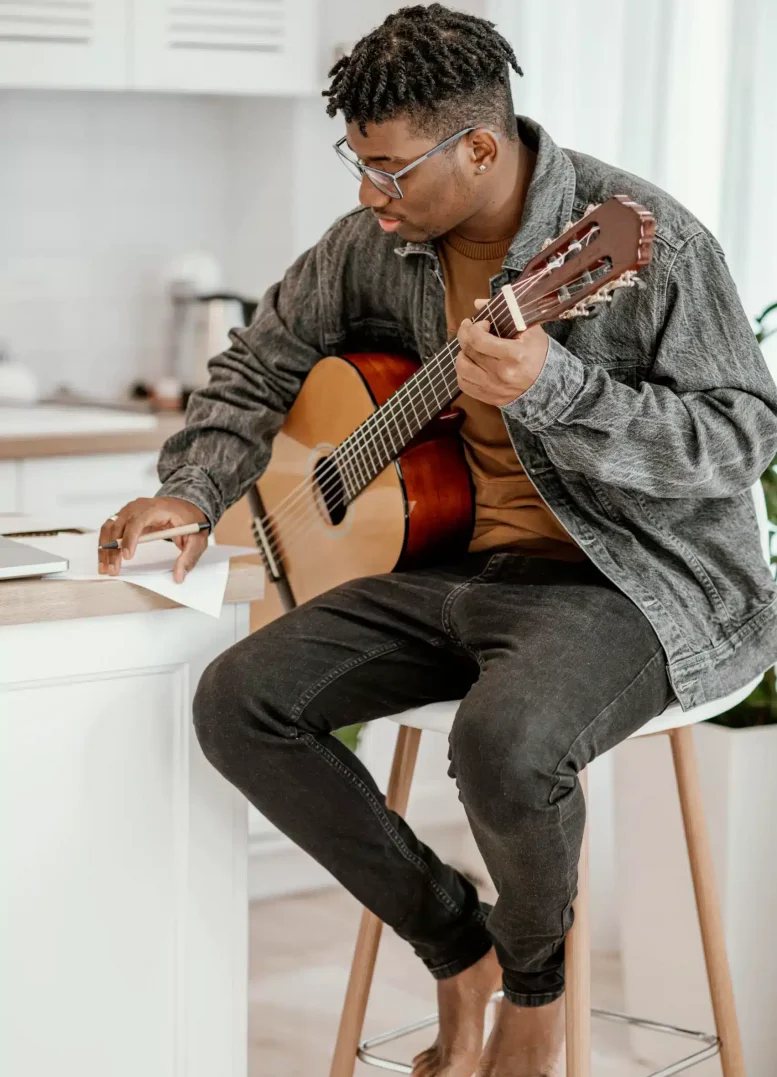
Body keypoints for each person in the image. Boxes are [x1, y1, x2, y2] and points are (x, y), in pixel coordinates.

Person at [99, 5, 777, 1075]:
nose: (369, 195)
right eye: (358, 164)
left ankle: (533, 998)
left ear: (480, 149)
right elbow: (260, 362)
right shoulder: (373, 246)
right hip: (452, 567)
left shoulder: (647, 239)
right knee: (238, 701)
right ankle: (458, 947)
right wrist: (192, 490)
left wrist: (561, 389)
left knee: (502, 743)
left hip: (633, 582)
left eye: (390, 169)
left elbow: (740, 439)